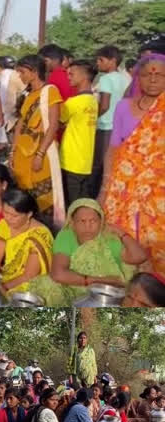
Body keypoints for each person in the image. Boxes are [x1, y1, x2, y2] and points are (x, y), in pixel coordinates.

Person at [99, 54, 165, 275]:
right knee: (120, 241)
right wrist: (105, 188)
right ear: (138, 78)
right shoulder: (123, 107)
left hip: (158, 193)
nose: (153, 80)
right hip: (122, 190)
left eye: (159, 75)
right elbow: (113, 148)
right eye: (147, 74)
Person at [31, 198, 147, 306]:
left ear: (101, 221)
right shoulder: (67, 236)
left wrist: (121, 233)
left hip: (105, 294)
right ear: (72, 223)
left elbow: (140, 257)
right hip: (73, 287)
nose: (88, 226)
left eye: (93, 221)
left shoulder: (108, 238)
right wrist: (98, 280)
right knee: (46, 283)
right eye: (82, 221)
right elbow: (58, 274)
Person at [11, 55, 64, 227]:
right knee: (25, 198)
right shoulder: (29, 95)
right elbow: (20, 123)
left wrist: (40, 154)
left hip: (41, 152)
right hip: (23, 153)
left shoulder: (50, 91)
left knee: (43, 200)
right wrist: (12, 151)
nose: (20, 76)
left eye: (23, 72)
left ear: (34, 72)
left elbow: (53, 125)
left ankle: (46, 235)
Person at [60, 60, 98, 205]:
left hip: (71, 159)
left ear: (84, 77)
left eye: (71, 74)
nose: (68, 77)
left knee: (72, 202)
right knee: (83, 199)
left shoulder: (73, 102)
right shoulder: (93, 101)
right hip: (86, 160)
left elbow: (57, 122)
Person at [92, 45, 128, 198]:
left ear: (113, 61)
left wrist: (93, 118)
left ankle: (95, 199)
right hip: (121, 127)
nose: (97, 63)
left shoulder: (106, 79)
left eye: (101, 60)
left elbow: (105, 105)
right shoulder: (126, 79)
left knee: (99, 166)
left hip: (106, 126)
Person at [0, 56, 25, 150]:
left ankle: (2, 144)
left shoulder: (11, 75)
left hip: (11, 109)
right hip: (4, 108)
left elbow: (23, 90)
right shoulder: (0, 75)